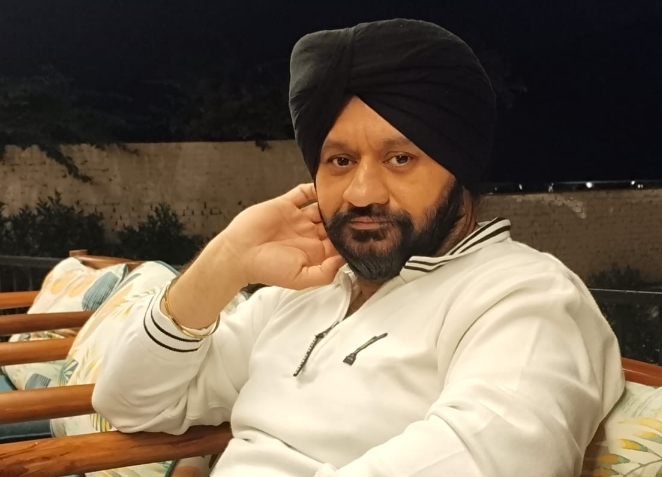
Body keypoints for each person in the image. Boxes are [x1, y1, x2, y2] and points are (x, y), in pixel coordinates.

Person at [93, 18, 624, 477]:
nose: (362, 192)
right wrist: (227, 259)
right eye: (340, 161)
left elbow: (488, 458)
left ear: (460, 171)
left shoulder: (524, 297)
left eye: (400, 159)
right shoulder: (304, 294)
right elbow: (130, 402)